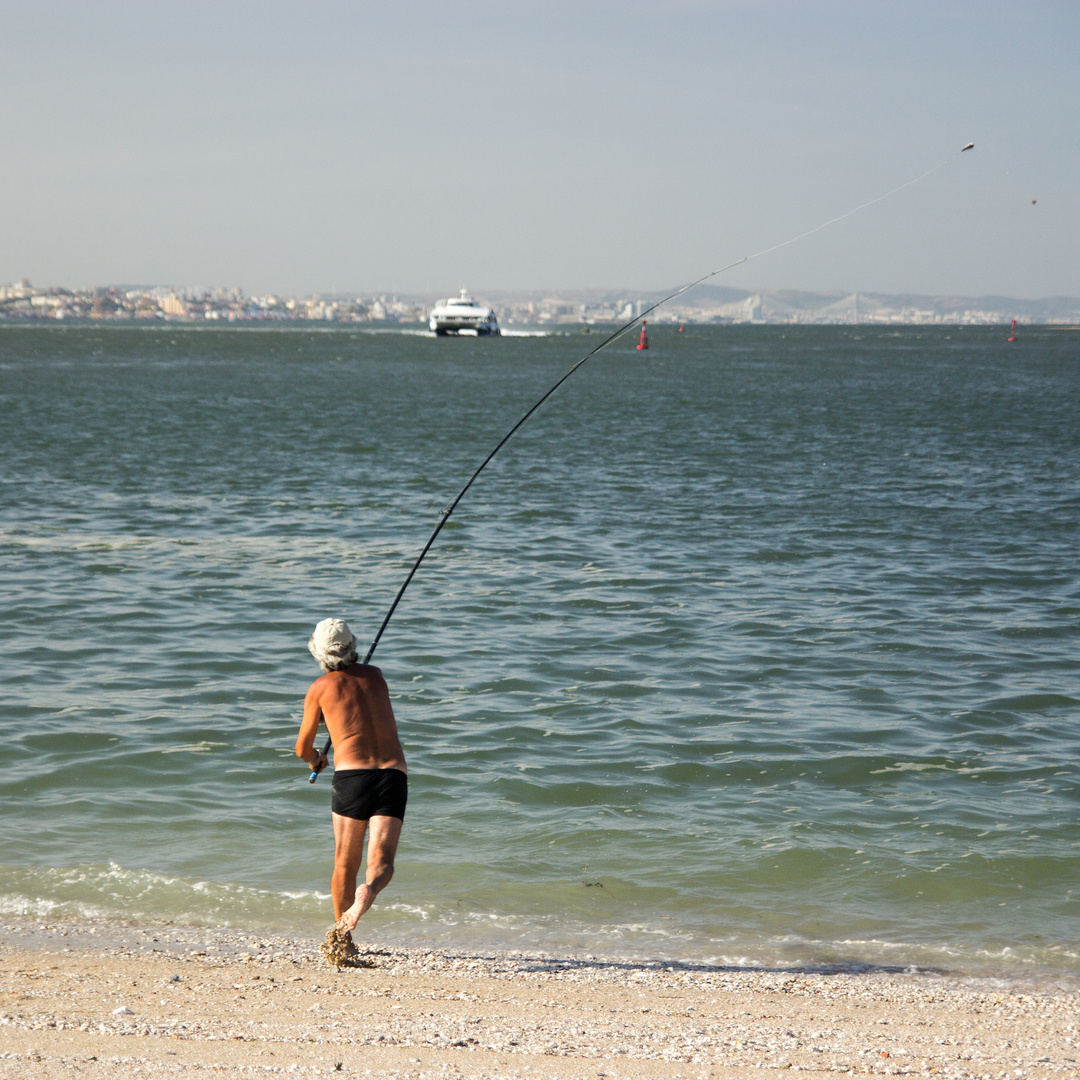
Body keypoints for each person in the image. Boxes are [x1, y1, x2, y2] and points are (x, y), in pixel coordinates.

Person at [295, 618, 407, 942]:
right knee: (382, 863)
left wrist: (317, 758)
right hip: (392, 774)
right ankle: (368, 892)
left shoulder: (319, 689)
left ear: (318, 651)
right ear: (353, 645)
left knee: (345, 863)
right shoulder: (376, 676)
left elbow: (302, 748)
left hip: (352, 778)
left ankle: (342, 939)